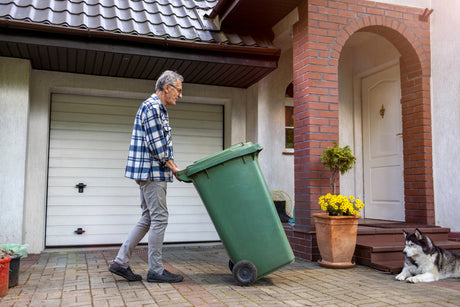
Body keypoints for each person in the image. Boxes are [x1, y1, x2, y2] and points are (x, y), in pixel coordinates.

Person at [109, 70, 184, 283]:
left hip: (149, 172)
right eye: (178, 90)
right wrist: (174, 168)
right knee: (160, 218)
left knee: (148, 217)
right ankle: (156, 270)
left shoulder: (157, 108)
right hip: (152, 172)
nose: (180, 95)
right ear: (167, 87)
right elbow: (158, 148)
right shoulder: (153, 108)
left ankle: (120, 262)